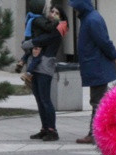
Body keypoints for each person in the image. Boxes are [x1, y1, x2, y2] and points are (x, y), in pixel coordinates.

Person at [69, 0, 116, 145]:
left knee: (98, 102)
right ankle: (98, 132)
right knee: (98, 101)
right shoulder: (90, 18)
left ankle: (95, 134)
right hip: (95, 65)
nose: (74, 9)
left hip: (97, 66)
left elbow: (103, 41)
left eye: (75, 6)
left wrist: (114, 54)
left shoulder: (92, 20)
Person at [26, 4, 69, 142]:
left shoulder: (57, 30)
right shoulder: (46, 26)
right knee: (39, 99)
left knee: (45, 99)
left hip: (45, 66)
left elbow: (41, 40)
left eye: (57, 13)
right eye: (52, 11)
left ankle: (52, 130)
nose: (53, 14)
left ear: (61, 17)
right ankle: (44, 128)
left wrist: (28, 43)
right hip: (37, 65)